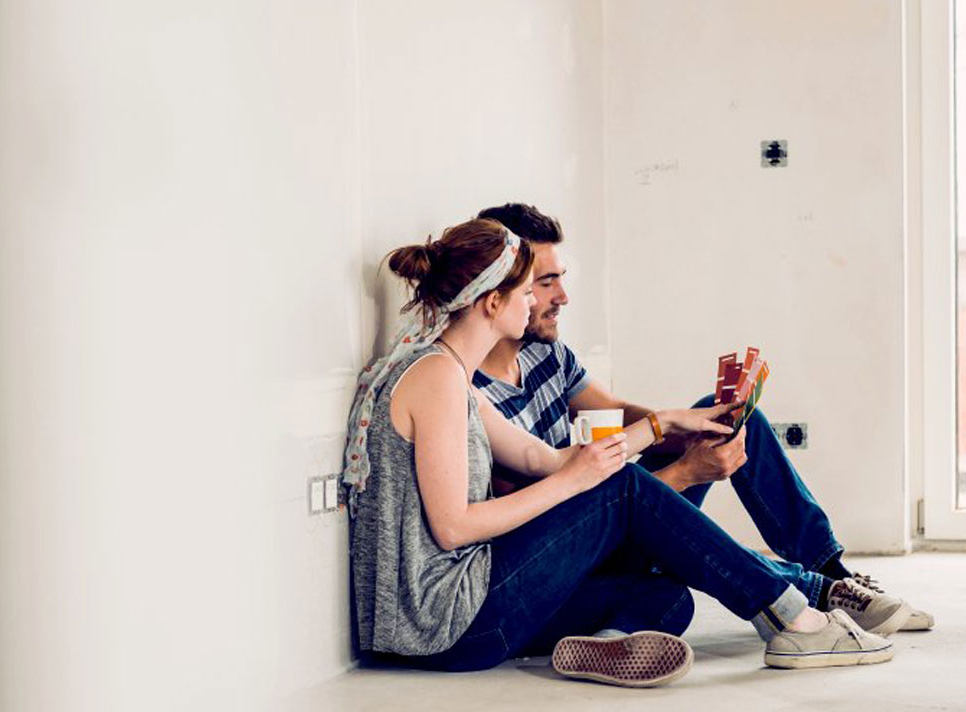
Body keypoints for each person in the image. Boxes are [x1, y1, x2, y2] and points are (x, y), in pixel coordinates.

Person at [342, 217, 893, 687]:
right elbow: (454, 528)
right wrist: (577, 480)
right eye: (526, 290)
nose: (536, 299)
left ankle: (607, 641)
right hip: (445, 626)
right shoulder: (436, 378)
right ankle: (794, 621)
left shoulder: (443, 372)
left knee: (669, 598)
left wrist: (662, 425)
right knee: (620, 487)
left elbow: (543, 460)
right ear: (492, 303)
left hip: (450, 624)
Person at [471, 202, 934, 638]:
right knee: (674, 568)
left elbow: (611, 411)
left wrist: (690, 425)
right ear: (507, 289)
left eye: (560, 278)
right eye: (547, 282)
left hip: (605, 500)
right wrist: (685, 471)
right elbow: (562, 517)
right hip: (566, 548)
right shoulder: (470, 392)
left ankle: (831, 571)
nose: (563, 297)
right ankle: (817, 592)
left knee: (724, 416)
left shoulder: (544, 351)